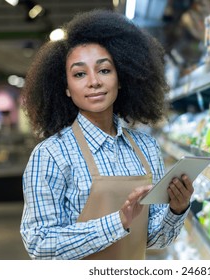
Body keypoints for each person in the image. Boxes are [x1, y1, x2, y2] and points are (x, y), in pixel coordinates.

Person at [20, 9, 194, 260]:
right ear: (66, 88)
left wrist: (177, 210)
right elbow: (39, 245)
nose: (94, 82)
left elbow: (155, 239)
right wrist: (118, 222)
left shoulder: (147, 148)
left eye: (104, 70)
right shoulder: (51, 155)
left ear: (121, 78)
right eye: (80, 74)